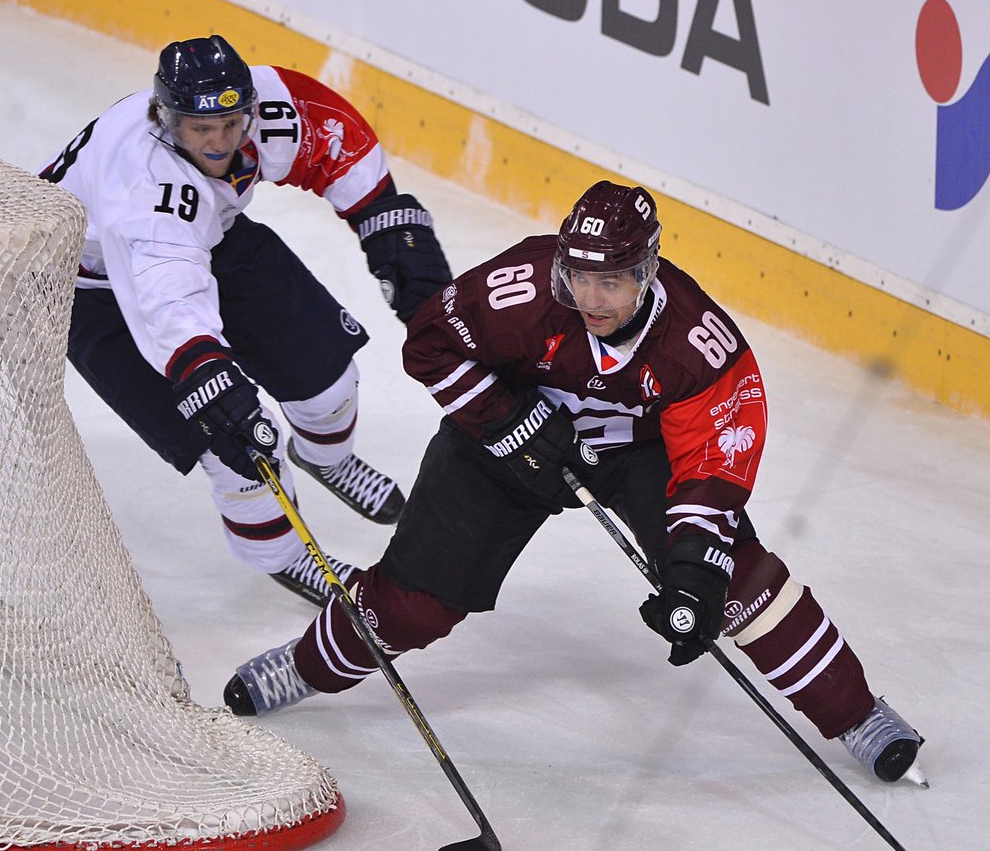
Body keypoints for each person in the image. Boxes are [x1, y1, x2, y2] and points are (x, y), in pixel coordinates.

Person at [223, 180, 926, 786]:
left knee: (731, 581)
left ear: (646, 272)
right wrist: (506, 416)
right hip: (499, 445)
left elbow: (712, 465)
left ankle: (857, 714)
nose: (589, 296)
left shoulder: (697, 342)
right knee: (414, 605)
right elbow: (430, 344)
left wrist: (691, 567)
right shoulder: (524, 290)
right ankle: (306, 664)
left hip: (637, 454)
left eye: (610, 281)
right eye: (578, 277)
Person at [39, 34, 451, 604]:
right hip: (93, 290)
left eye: (231, 124)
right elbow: (168, 300)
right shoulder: (145, 191)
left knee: (329, 379)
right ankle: (286, 557)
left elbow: (328, 130)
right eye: (200, 129)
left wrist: (380, 212)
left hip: (212, 240)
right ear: (164, 117)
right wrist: (203, 370)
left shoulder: (257, 109)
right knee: (235, 449)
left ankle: (325, 459)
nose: (219, 141)